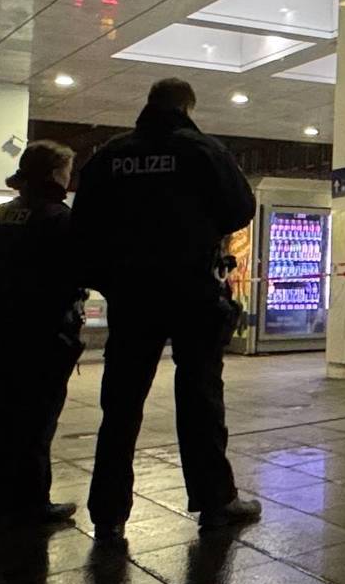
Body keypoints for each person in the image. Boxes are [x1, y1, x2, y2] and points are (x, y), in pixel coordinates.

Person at [70, 77, 261, 535]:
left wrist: (109, 277)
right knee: (199, 396)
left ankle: (108, 511)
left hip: (132, 294)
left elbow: (84, 225)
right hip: (192, 289)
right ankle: (216, 500)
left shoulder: (112, 155)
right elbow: (240, 208)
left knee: (120, 403)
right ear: (187, 107)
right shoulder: (202, 150)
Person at [0, 139, 86, 530]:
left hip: (1, 322)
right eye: (67, 170)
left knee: (1, 414)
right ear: (55, 174)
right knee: (37, 420)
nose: (70, 178)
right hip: (44, 330)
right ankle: (33, 503)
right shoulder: (60, 219)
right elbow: (78, 271)